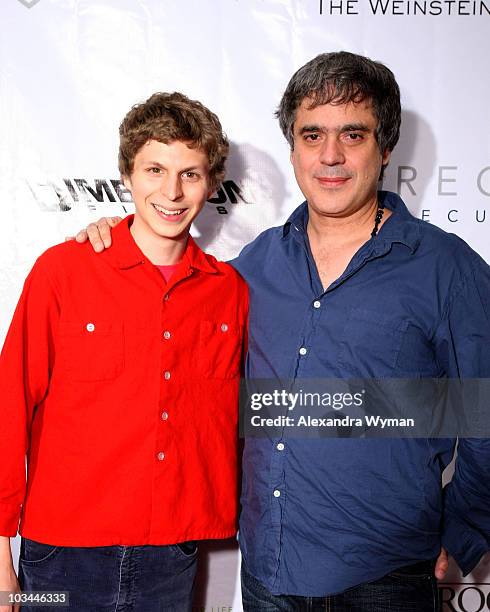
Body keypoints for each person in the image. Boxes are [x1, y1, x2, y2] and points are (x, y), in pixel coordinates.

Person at [74, 52, 490, 611]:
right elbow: (167, 328)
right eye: (311, 134)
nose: (330, 156)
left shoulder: (446, 268)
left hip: (387, 577)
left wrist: (464, 533)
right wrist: (115, 237)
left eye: (353, 134)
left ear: (385, 147)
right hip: (270, 575)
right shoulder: (253, 265)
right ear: (292, 147)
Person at [0, 91, 248, 612]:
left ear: (211, 183)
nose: (171, 191)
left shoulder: (229, 291)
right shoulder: (63, 272)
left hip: (171, 554)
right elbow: (9, 404)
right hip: (61, 551)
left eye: (190, 173)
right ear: (128, 176)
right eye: (154, 169)